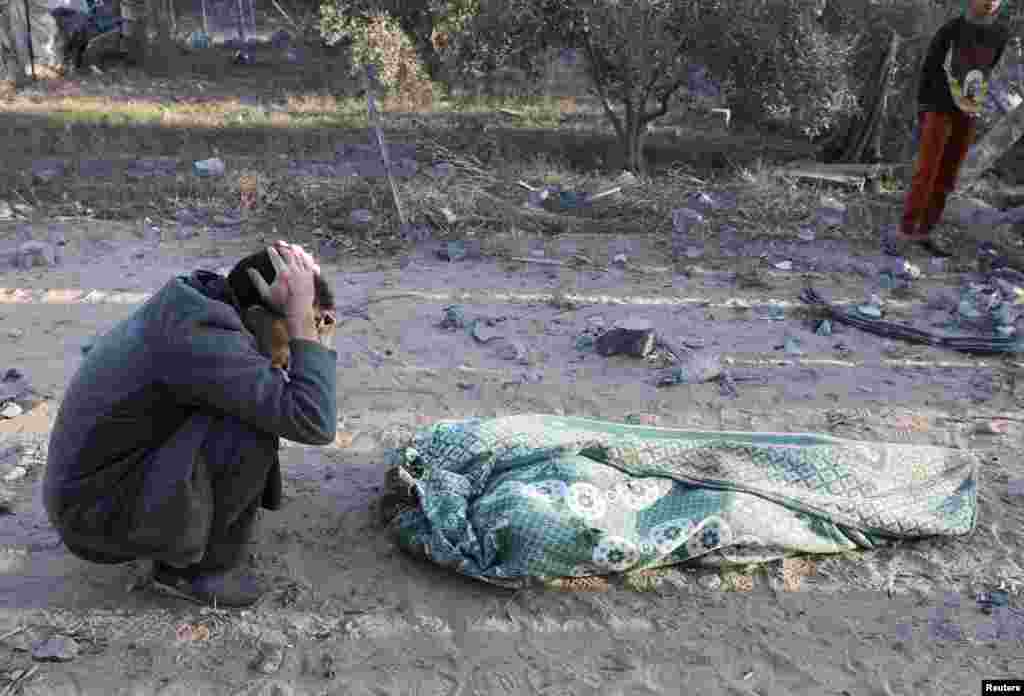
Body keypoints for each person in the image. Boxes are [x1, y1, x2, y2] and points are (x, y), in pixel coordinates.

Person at [43, 241, 338, 607]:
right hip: (93, 516)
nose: (292, 349)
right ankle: (191, 572)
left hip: (105, 482)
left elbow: (300, 391)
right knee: (252, 426)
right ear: (259, 316)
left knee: (263, 397)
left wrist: (307, 313)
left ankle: (188, 529)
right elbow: (314, 420)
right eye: (292, 331)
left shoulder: (206, 307)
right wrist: (302, 323)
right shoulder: (203, 336)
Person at [891, 0, 1010, 257]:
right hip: (939, 107)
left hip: (968, 111)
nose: (990, 1)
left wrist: (973, 103)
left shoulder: (1000, 35)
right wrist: (923, 108)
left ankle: (925, 232)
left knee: (948, 175)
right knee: (927, 170)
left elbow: (987, 69)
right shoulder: (951, 29)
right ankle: (905, 231)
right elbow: (929, 67)